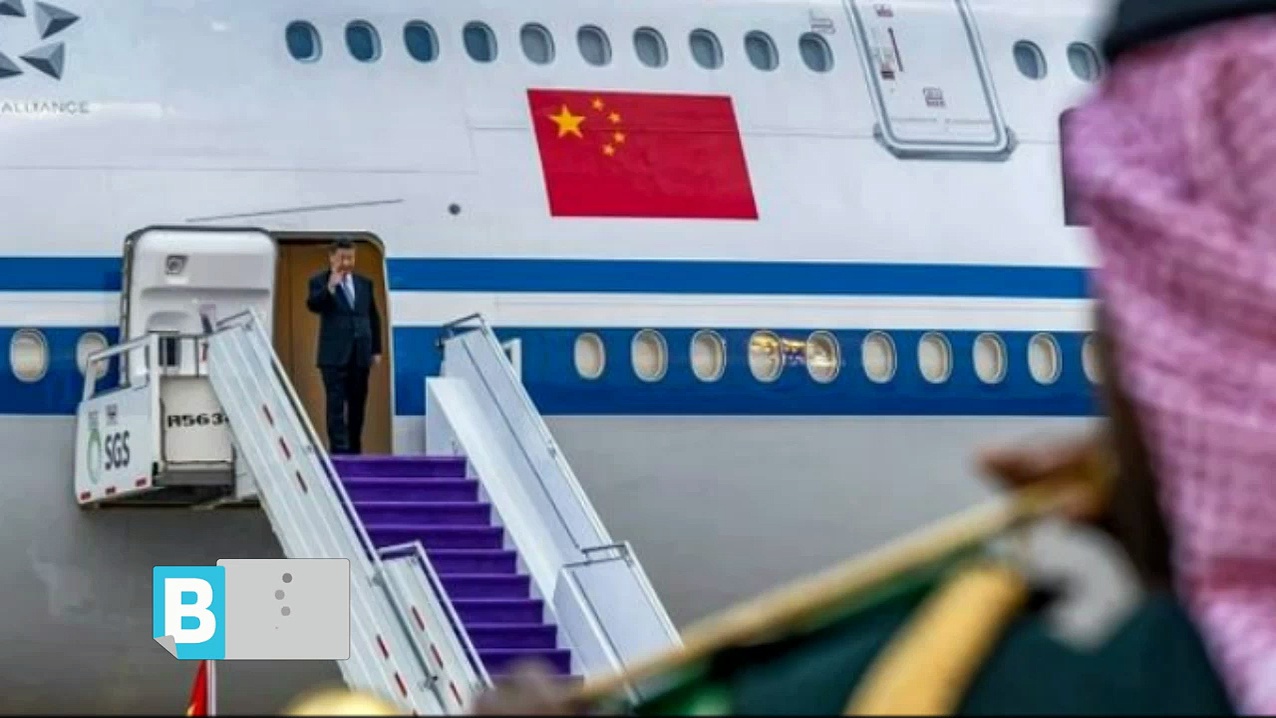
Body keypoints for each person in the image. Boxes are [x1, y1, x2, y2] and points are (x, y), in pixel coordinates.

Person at [306, 239, 382, 455]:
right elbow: (313, 305)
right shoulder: (319, 281)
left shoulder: (364, 284)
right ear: (332, 258)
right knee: (336, 405)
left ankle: (355, 450)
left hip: (360, 354)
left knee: (357, 405)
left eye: (351, 258)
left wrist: (376, 349)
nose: (347, 262)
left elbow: (373, 317)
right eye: (343, 258)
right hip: (334, 356)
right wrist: (331, 286)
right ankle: (339, 451)